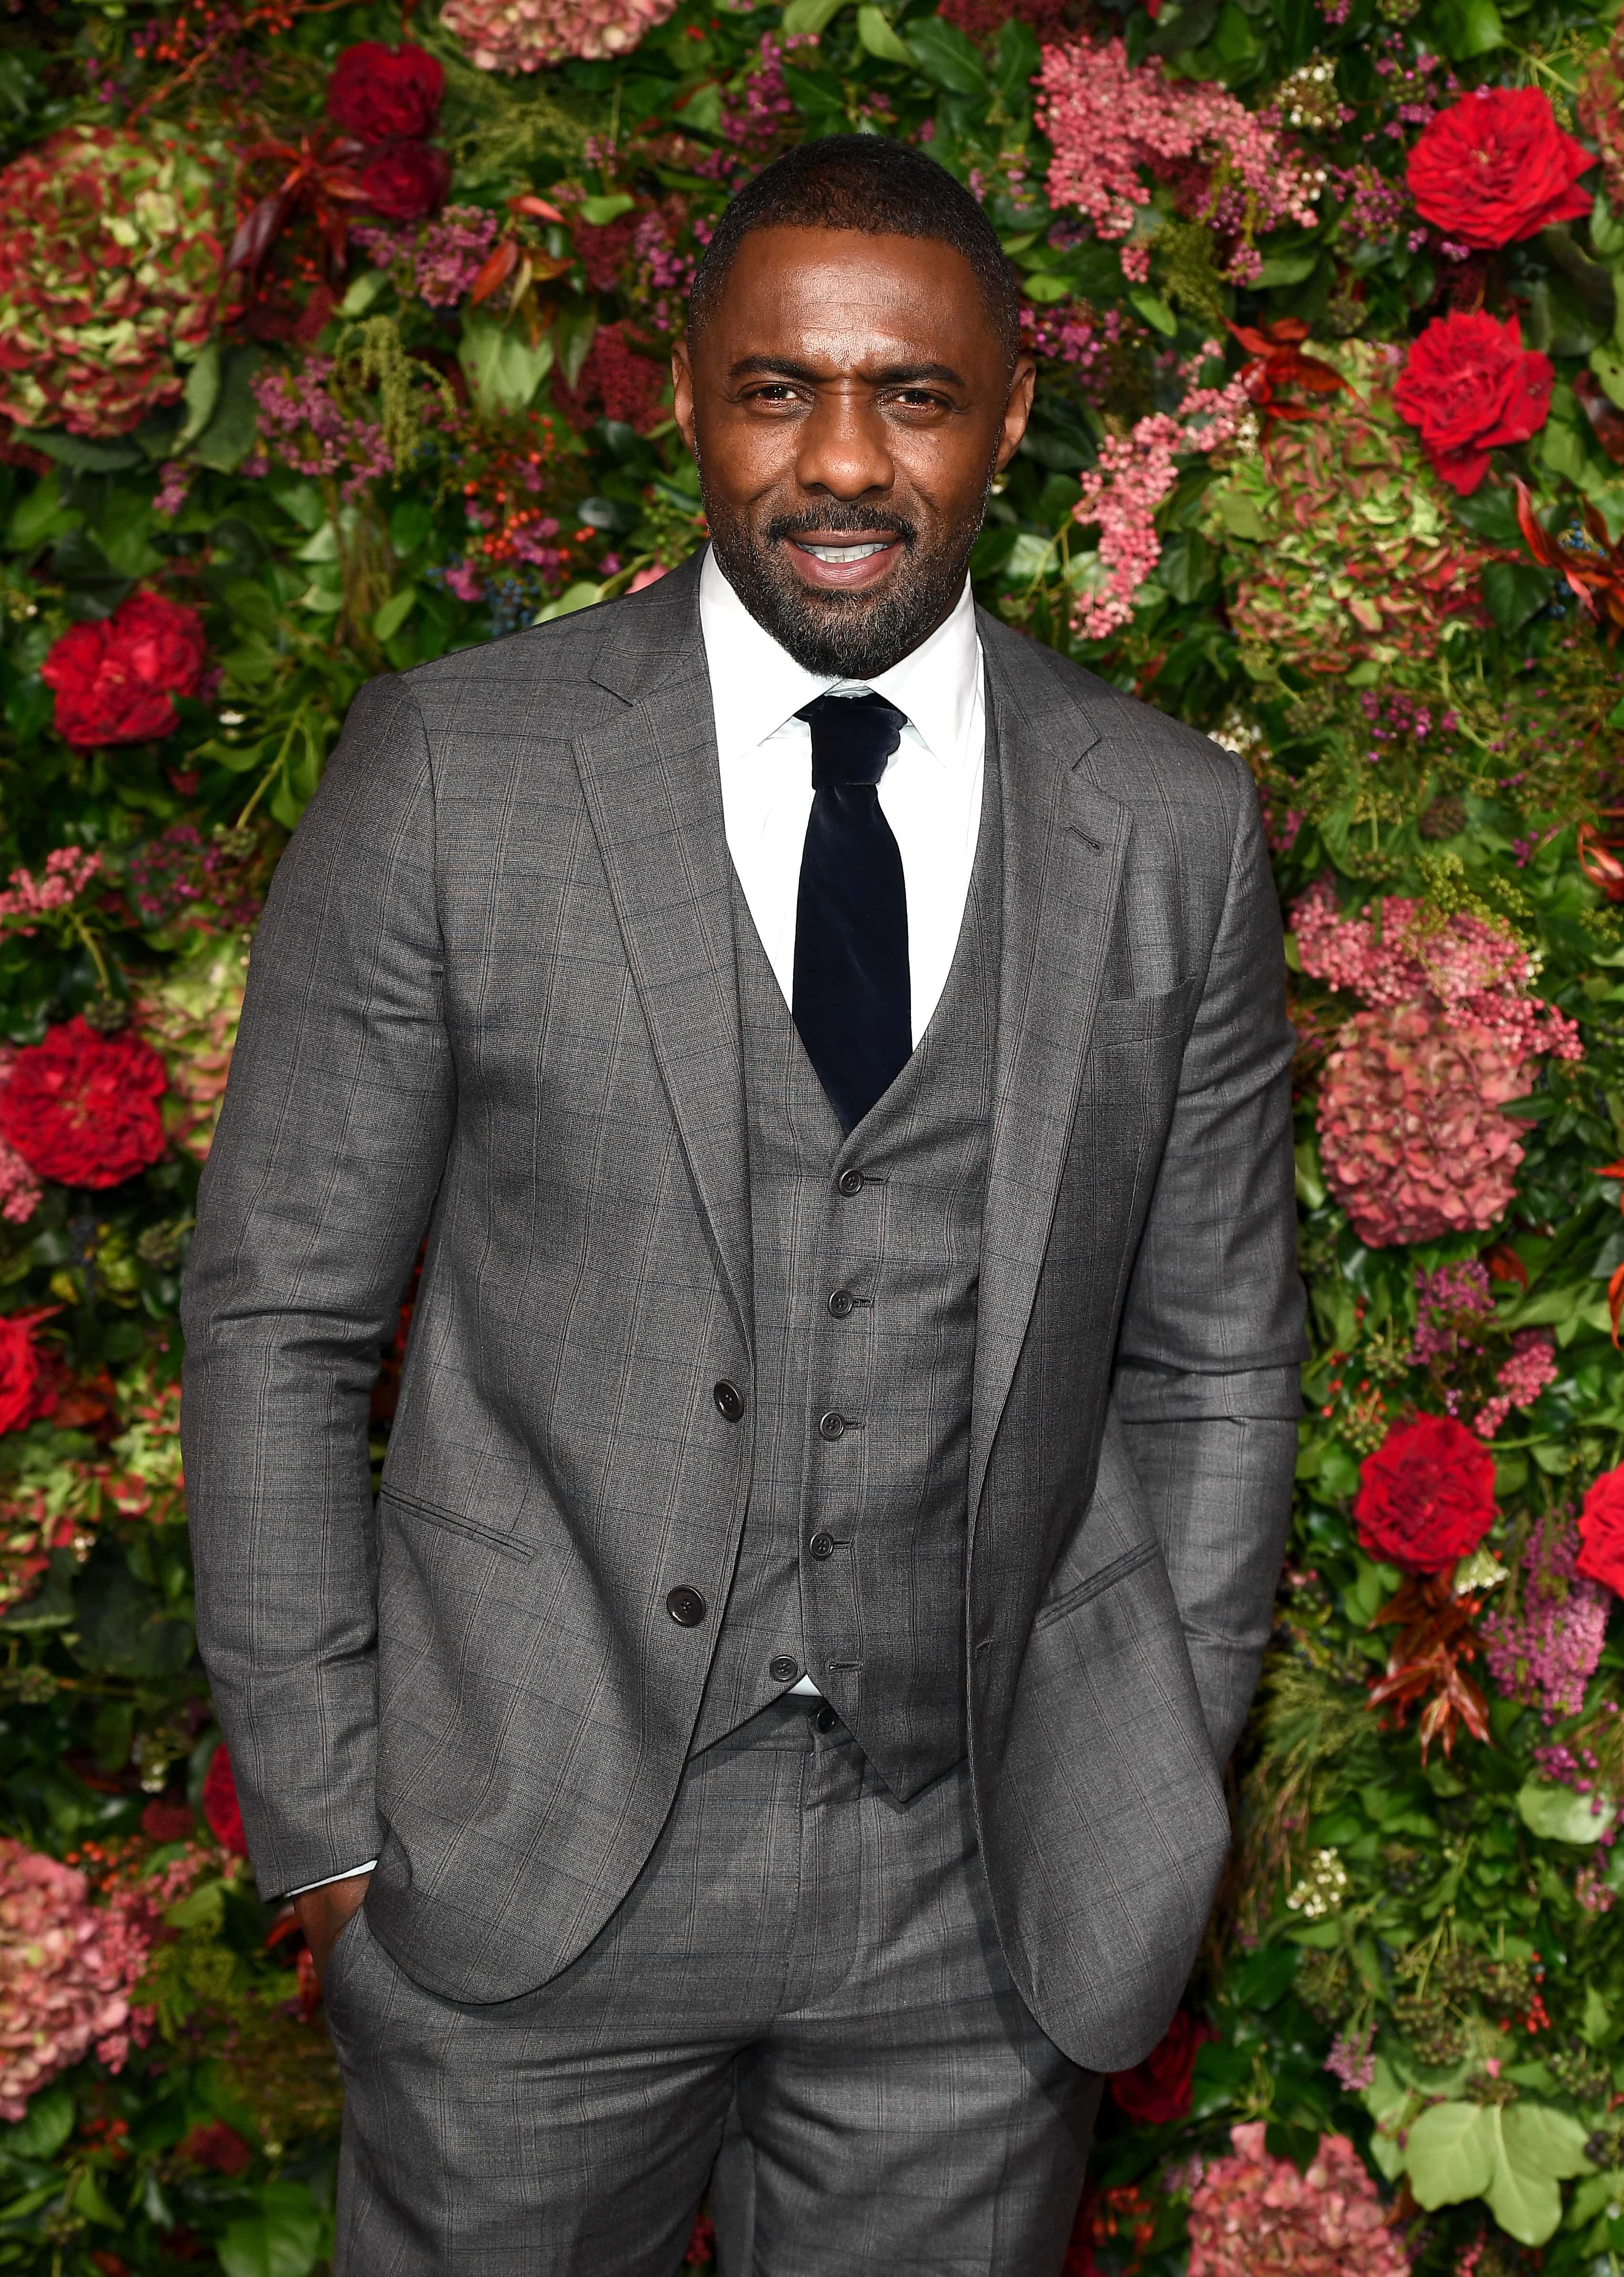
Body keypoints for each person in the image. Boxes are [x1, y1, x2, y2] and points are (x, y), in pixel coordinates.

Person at [182, 133, 1305, 2277]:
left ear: (1010, 418)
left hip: (981, 1907)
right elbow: (279, 1316)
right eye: (780, 389)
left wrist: (1148, 1758)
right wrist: (331, 1824)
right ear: (688, 389)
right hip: (523, 1866)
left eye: (915, 395)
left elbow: (1218, 1356)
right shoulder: (459, 770)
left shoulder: (1166, 823)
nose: (844, 462)